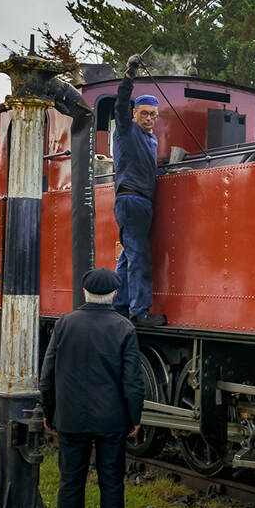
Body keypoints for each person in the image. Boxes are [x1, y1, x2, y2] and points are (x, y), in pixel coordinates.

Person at [40, 267, 145, 508]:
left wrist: (49, 412)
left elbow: (47, 375)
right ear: (113, 295)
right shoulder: (124, 328)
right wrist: (134, 417)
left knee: (70, 483)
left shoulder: (64, 325)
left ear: (85, 293)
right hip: (112, 422)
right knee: (112, 485)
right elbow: (133, 381)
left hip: (71, 419)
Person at [112, 53, 166, 327]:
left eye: (152, 115)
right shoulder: (125, 130)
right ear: (135, 114)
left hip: (139, 201)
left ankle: (120, 306)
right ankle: (140, 311)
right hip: (132, 199)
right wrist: (129, 73)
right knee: (140, 257)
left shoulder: (151, 139)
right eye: (144, 114)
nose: (148, 118)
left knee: (127, 257)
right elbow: (120, 104)